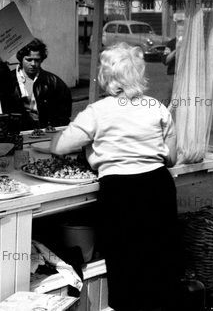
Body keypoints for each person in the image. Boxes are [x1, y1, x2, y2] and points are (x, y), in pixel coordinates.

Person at [51, 43, 179, 311]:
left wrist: (88, 145)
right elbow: (171, 158)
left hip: (121, 192)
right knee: (159, 264)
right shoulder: (156, 107)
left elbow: (60, 147)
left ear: (107, 78)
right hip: (158, 188)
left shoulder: (98, 111)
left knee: (125, 266)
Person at [12, 39, 72, 129]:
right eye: (29, 60)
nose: (33, 64)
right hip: (17, 131)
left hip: (44, 131)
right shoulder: (9, 80)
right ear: (21, 59)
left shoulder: (54, 82)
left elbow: (64, 115)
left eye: (37, 60)